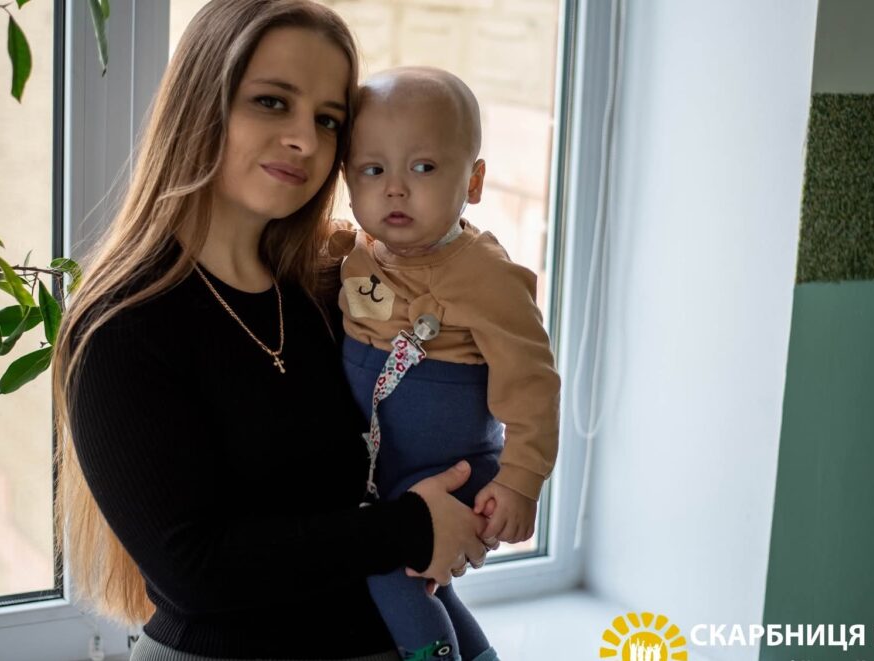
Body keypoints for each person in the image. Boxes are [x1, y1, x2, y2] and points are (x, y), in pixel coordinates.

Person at [52, 3, 495, 660]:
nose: (305, 141)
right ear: (201, 105)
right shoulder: (120, 326)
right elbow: (196, 569)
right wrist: (411, 528)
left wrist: (486, 493)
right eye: (272, 102)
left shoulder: (334, 287)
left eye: (328, 120)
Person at [332, 67, 561, 661]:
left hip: (456, 470)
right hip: (389, 471)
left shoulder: (487, 277)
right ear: (347, 179)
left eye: (424, 167)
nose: (395, 189)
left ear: (474, 181)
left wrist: (521, 482)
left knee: (391, 568)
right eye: (373, 170)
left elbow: (533, 385)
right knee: (430, 584)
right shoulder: (352, 252)